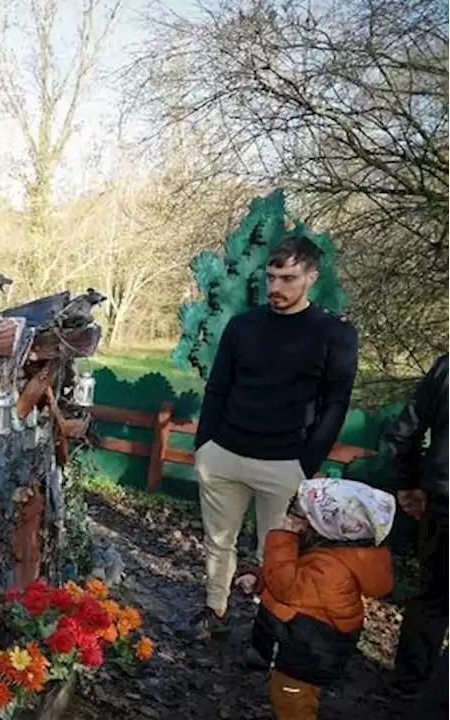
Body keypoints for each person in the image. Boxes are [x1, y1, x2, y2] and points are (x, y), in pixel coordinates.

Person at [189, 236, 360, 639]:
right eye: (270, 277)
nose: (275, 288)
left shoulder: (335, 334)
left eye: (288, 278)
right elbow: (218, 387)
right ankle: (213, 613)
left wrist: (305, 464)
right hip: (224, 455)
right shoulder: (243, 326)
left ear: (311, 278)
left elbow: (336, 404)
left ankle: (266, 636)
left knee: (280, 558)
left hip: (285, 463)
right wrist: (205, 447)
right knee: (218, 542)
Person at [248, 478, 395, 719]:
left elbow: (286, 586)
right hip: (304, 645)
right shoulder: (335, 555)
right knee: (293, 696)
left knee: (293, 701)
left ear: (327, 525)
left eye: (303, 515)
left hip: (306, 655)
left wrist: (284, 537)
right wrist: (259, 579)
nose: (294, 518)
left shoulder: (331, 568)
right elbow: (297, 583)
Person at [388, 353, 450, 700]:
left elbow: (404, 431)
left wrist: (408, 481)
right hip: (441, 499)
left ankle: (408, 687)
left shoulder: (446, 367)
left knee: (431, 599)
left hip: (442, 502)